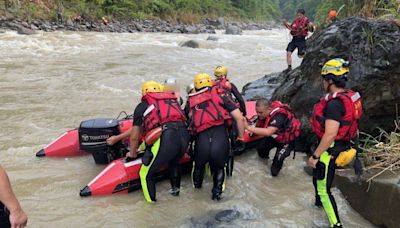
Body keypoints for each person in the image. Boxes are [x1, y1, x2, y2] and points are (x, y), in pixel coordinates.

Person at [308, 58, 363, 228]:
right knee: (318, 183)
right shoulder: (349, 96)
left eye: (324, 79)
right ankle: (317, 207)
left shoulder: (334, 104)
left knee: (324, 190)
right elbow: (354, 126)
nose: (323, 82)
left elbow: (330, 134)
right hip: (345, 145)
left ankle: (336, 224)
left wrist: (315, 156)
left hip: (329, 152)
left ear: (330, 80)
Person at [125, 80, 190, 203]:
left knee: (145, 174)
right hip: (184, 136)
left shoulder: (142, 106)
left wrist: (132, 153)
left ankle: (152, 206)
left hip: (167, 138)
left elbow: (134, 136)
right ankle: (176, 194)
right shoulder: (172, 100)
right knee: (174, 162)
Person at [187, 73, 245, 200]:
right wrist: (240, 138)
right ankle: (216, 195)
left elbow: (189, 123)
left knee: (198, 167)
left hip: (201, 142)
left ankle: (196, 197)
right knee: (219, 169)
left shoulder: (191, 101)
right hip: (220, 140)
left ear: (195, 87)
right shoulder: (222, 96)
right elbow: (239, 118)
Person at [244, 99, 301, 176]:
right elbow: (260, 122)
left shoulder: (279, 116)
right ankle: (264, 163)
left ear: (269, 109)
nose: (258, 114)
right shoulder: (265, 113)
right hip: (275, 136)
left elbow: (268, 132)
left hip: (286, 140)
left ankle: (274, 175)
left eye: (260, 113)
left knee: (277, 164)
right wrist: (254, 131)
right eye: (257, 112)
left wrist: (248, 128)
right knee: (261, 149)